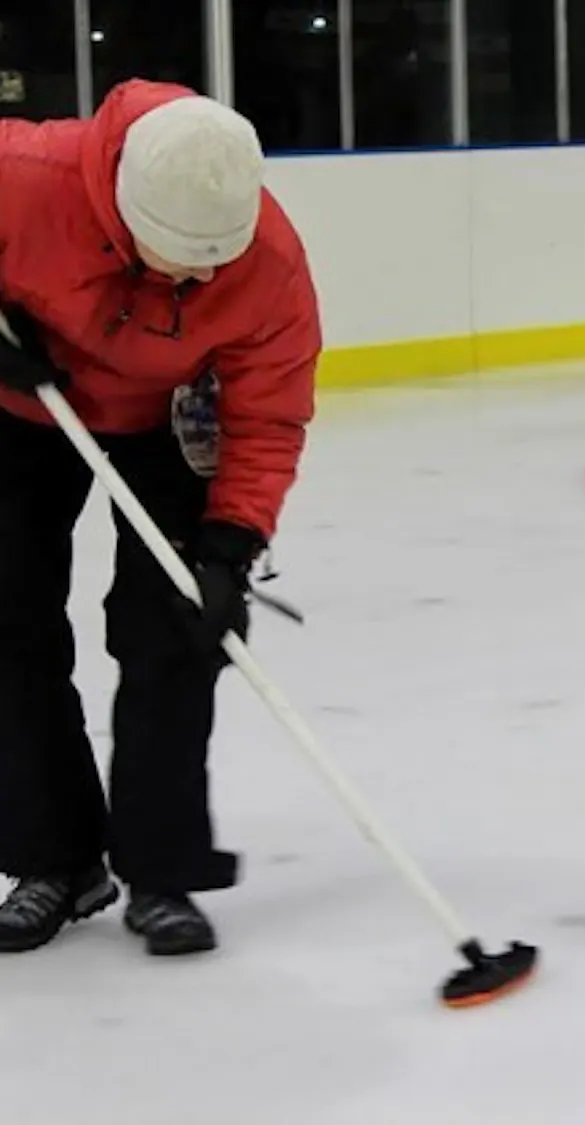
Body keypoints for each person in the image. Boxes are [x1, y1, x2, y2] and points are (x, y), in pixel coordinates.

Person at [0, 79, 320, 957]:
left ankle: (161, 866)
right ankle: (52, 859)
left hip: (174, 417)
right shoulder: (24, 173)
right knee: (8, 626)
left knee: (176, 629)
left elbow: (269, 414)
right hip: (25, 409)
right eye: (177, 257)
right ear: (118, 208)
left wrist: (233, 541)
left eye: (214, 260)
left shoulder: (270, 266)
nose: (201, 278)